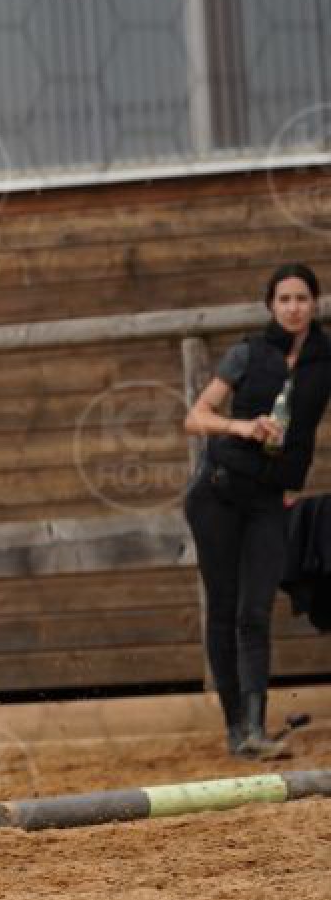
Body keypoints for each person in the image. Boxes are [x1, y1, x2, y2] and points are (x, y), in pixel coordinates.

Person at [182, 263, 330, 759]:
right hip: (219, 493)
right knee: (224, 608)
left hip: (269, 500)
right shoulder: (246, 353)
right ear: (271, 305)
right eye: (284, 299)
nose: (293, 307)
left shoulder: (324, 360)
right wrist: (242, 427)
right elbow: (196, 417)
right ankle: (236, 728)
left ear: (314, 304)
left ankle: (254, 728)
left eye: (302, 298)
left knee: (256, 610)